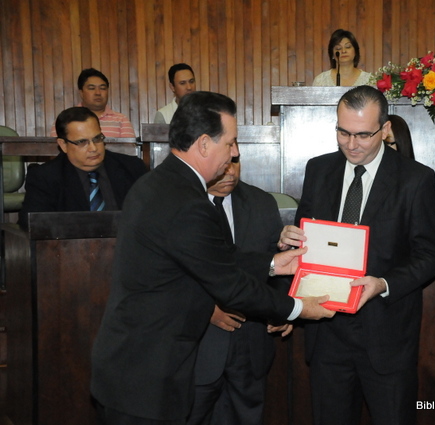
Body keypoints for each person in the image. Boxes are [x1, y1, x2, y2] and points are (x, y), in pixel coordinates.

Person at [90, 91, 335, 424]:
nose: (234, 153)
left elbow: (212, 257)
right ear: (204, 144)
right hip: (147, 376)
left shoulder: (157, 184)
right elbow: (230, 286)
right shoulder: (187, 201)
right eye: (231, 143)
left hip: (132, 366)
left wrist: (272, 263)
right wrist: (299, 308)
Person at [279, 85, 435, 425]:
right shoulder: (318, 169)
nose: (351, 144)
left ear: (385, 129)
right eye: (343, 132)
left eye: (363, 135)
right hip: (326, 332)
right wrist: (288, 240)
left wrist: (383, 283)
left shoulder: (415, 179)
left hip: (385, 336)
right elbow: (307, 242)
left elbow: (430, 256)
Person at [187, 145, 289, 425]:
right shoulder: (182, 204)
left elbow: (275, 265)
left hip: (251, 346)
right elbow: (172, 273)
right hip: (198, 346)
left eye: (236, 162)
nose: (231, 171)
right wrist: (207, 310)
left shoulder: (261, 202)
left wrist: (282, 309)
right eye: (225, 164)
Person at [19, 107, 146, 228]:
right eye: (82, 142)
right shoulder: (45, 177)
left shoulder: (132, 167)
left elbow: (151, 215)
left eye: (97, 139)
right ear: (63, 145)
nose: (93, 148)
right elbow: (32, 224)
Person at [50, 68, 136, 138]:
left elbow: (129, 153)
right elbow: (55, 151)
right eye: (91, 88)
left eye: (102, 88)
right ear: (81, 92)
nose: (98, 93)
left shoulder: (121, 120)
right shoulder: (65, 119)